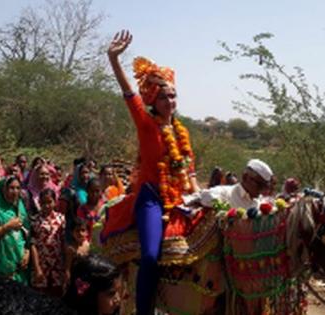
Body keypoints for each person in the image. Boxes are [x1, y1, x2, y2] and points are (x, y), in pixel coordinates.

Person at [106, 30, 200, 314]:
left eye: (173, 96)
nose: (170, 102)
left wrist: (203, 199)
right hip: (150, 198)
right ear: (154, 102)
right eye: (164, 98)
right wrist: (113, 59)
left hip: (181, 201)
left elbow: (191, 175)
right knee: (150, 256)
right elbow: (128, 94)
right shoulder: (146, 124)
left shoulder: (182, 133)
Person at [0, 176, 33, 284]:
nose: (15, 192)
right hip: (0, 267)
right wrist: (7, 227)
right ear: (2, 189)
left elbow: (26, 235)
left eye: (18, 188)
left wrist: (27, 252)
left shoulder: (19, 209)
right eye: (11, 188)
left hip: (20, 267)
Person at [193, 159, 273, 209]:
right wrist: (225, 209)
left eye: (265, 186)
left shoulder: (260, 202)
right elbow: (203, 196)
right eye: (259, 184)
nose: (262, 189)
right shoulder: (226, 193)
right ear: (245, 177)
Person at [31, 188, 65, 296]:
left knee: (56, 296)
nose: (46, 205)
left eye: (49, 202)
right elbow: (33, 245)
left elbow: (64, 242)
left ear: (55, 202)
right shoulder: (35, 220)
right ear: (39, 203)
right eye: (43, 203)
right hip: (42, 264)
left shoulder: (61, 219)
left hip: (57, 265)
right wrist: (37, 268)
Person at [64, 217, 90, 288]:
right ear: (72, 233)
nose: (80, 233)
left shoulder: (89, 246)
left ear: (87, 232)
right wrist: (67, 278)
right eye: (77, 231)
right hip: (75, 278)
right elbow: (67, 267)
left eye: (83, 230)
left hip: (87, 276)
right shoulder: (71, 248)